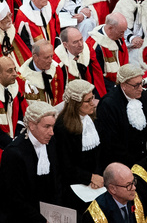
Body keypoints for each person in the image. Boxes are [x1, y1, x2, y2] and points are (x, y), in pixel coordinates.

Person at [0, 101, 62, 222]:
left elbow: (55, 181)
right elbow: (14, 200)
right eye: (46, 127)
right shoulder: (14, 153)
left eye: (53, 126)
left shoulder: (51, 142)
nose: (52, 132)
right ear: (31, 125)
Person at [54, 80, 104, 212]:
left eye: (92, 98)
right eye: (88, 101)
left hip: (95, 182)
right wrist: (90, 178)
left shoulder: (92, 119)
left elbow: (99, 153)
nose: (93, 103)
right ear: (76, 104)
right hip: (74, 186)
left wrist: (97, 176)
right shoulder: (62, 128)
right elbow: (65, 166)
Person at [96, 63, 147, 167]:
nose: (140, 88)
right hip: (122, 162)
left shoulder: (145, 96)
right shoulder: (108, 104)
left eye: (141, 83)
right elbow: (111, 142)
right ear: (123, 85)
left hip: (146, 157)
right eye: (136, 85)